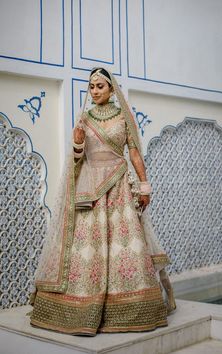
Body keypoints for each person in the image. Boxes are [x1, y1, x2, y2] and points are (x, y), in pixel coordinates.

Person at [30, 68, 176, 335]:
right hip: (91, 191)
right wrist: (76, 145)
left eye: (99, 86)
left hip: (119, 186)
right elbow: (77, 159)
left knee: (126, 246)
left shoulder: (123, 117)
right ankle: (83, 306)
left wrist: (144, 186)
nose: (94, 91)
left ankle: (131, 308)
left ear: (111, 89)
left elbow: (133, 152)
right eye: (91, 87)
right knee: (89, 248)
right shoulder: (84, 119)